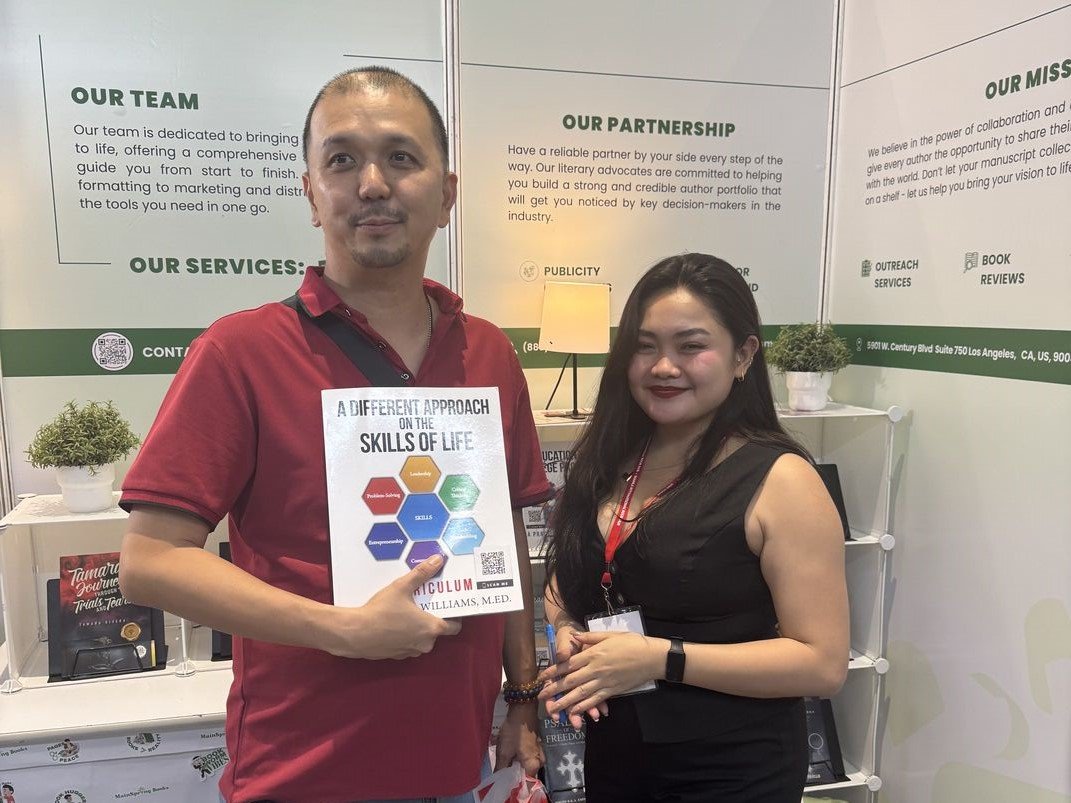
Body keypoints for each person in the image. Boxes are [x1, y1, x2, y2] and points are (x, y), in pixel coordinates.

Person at [118, 67, 553, 802]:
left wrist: (522, 696)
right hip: (303, 775)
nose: (372, 184)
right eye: (342, 160)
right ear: (312, 193)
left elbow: (502, 529)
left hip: (464, 768)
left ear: (447, 194)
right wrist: (340, 629)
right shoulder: (240, 353)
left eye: (401, 157)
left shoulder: (487, 353)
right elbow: (150, 562)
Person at [538, 253, 849, 802]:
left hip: (731, 771)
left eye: (690, 346)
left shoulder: (782, 479)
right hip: (617, 759)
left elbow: (821, 664)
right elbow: (567, 580)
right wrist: (567, 631)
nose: (663, 366)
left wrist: (661, 657)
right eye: (645, 346)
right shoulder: (609, 461)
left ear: (742, 355)